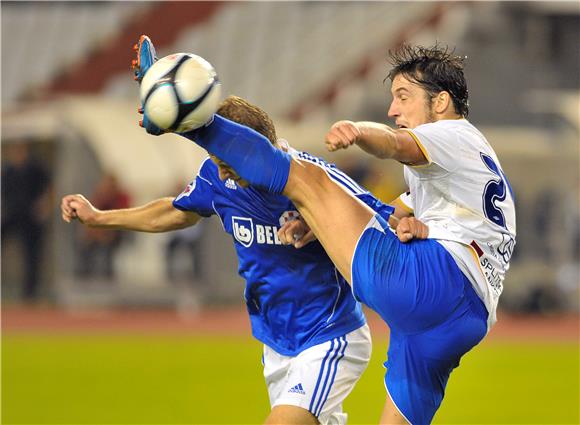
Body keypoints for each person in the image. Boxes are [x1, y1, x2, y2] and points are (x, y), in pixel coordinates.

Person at [148, 43, 516, 424]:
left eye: (404, 97)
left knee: (307, 178)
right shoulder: (474, 156)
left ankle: (190, 121)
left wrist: (358, 131)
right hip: (467, 316)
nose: (393, 110)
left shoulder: (449, 132)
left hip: (435, 283)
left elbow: (393, 143)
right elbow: (390, 213)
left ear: (441, 102)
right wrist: (327, 220)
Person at [62, 91, 428, 423]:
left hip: (330, 335)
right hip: (275, 342)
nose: (222, 168)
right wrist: (100, 217)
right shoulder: (218, 177)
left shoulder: (310, 177)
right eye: (216, 157)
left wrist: (324, 220)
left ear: (256, 151)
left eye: (228, 159)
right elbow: (176, 211)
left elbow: (384, 213)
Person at [1, 142, 52, 301]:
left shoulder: (35, 168)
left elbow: (49, 188)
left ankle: (29, 294)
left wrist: (44, 207)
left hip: (30, 216)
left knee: (32, 255)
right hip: (12, 213)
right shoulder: (8, 170)